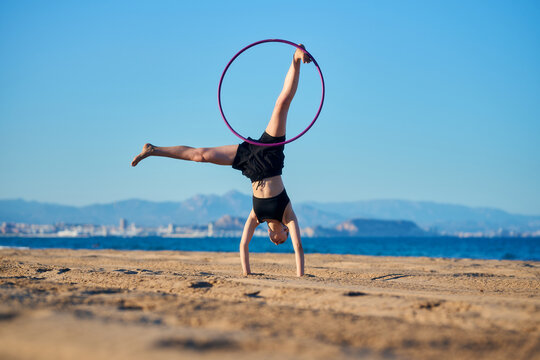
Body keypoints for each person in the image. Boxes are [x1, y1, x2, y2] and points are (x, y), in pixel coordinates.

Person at [131, 45, 312, 277]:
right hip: (270, 154)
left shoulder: (257, 217)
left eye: (275, 242)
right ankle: (296, 58)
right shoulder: (288, 215)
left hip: (250, 164)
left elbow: (243, 245)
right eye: (282, 240)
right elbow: (299, 247)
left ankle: (153, 149)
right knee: (282, 104)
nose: (278, 242)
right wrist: (300, 276)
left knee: (200, 156)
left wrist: (247, 274)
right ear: (286, 232)